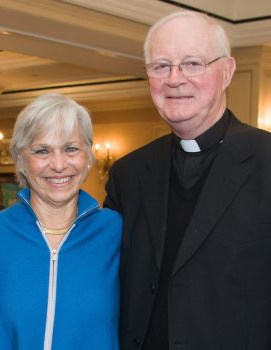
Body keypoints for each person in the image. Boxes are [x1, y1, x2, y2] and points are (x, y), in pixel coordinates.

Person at [105, 11, 271, 350]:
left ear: (227, 72)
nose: (175, 79)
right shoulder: (128, 174)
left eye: (193, 63)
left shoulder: (267, 161)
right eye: (161, 66)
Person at [0, 93, 122, 350]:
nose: (58, 165)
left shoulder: (115, 232)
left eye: (71, 148)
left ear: (88, 156)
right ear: (21, 160)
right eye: (42, 150)